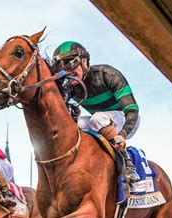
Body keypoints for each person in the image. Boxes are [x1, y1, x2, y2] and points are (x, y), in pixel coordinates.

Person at [52, 41, 140, 183]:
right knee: (76, 124)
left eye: (70, 63)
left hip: (126, 119)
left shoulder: (107, 74)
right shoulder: (70, 88)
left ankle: (127, 163)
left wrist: (122, 134)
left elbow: (132, 110)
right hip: (100, 122)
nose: (67, 71)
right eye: (61, 68)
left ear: (85, 62)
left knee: (98, 118)